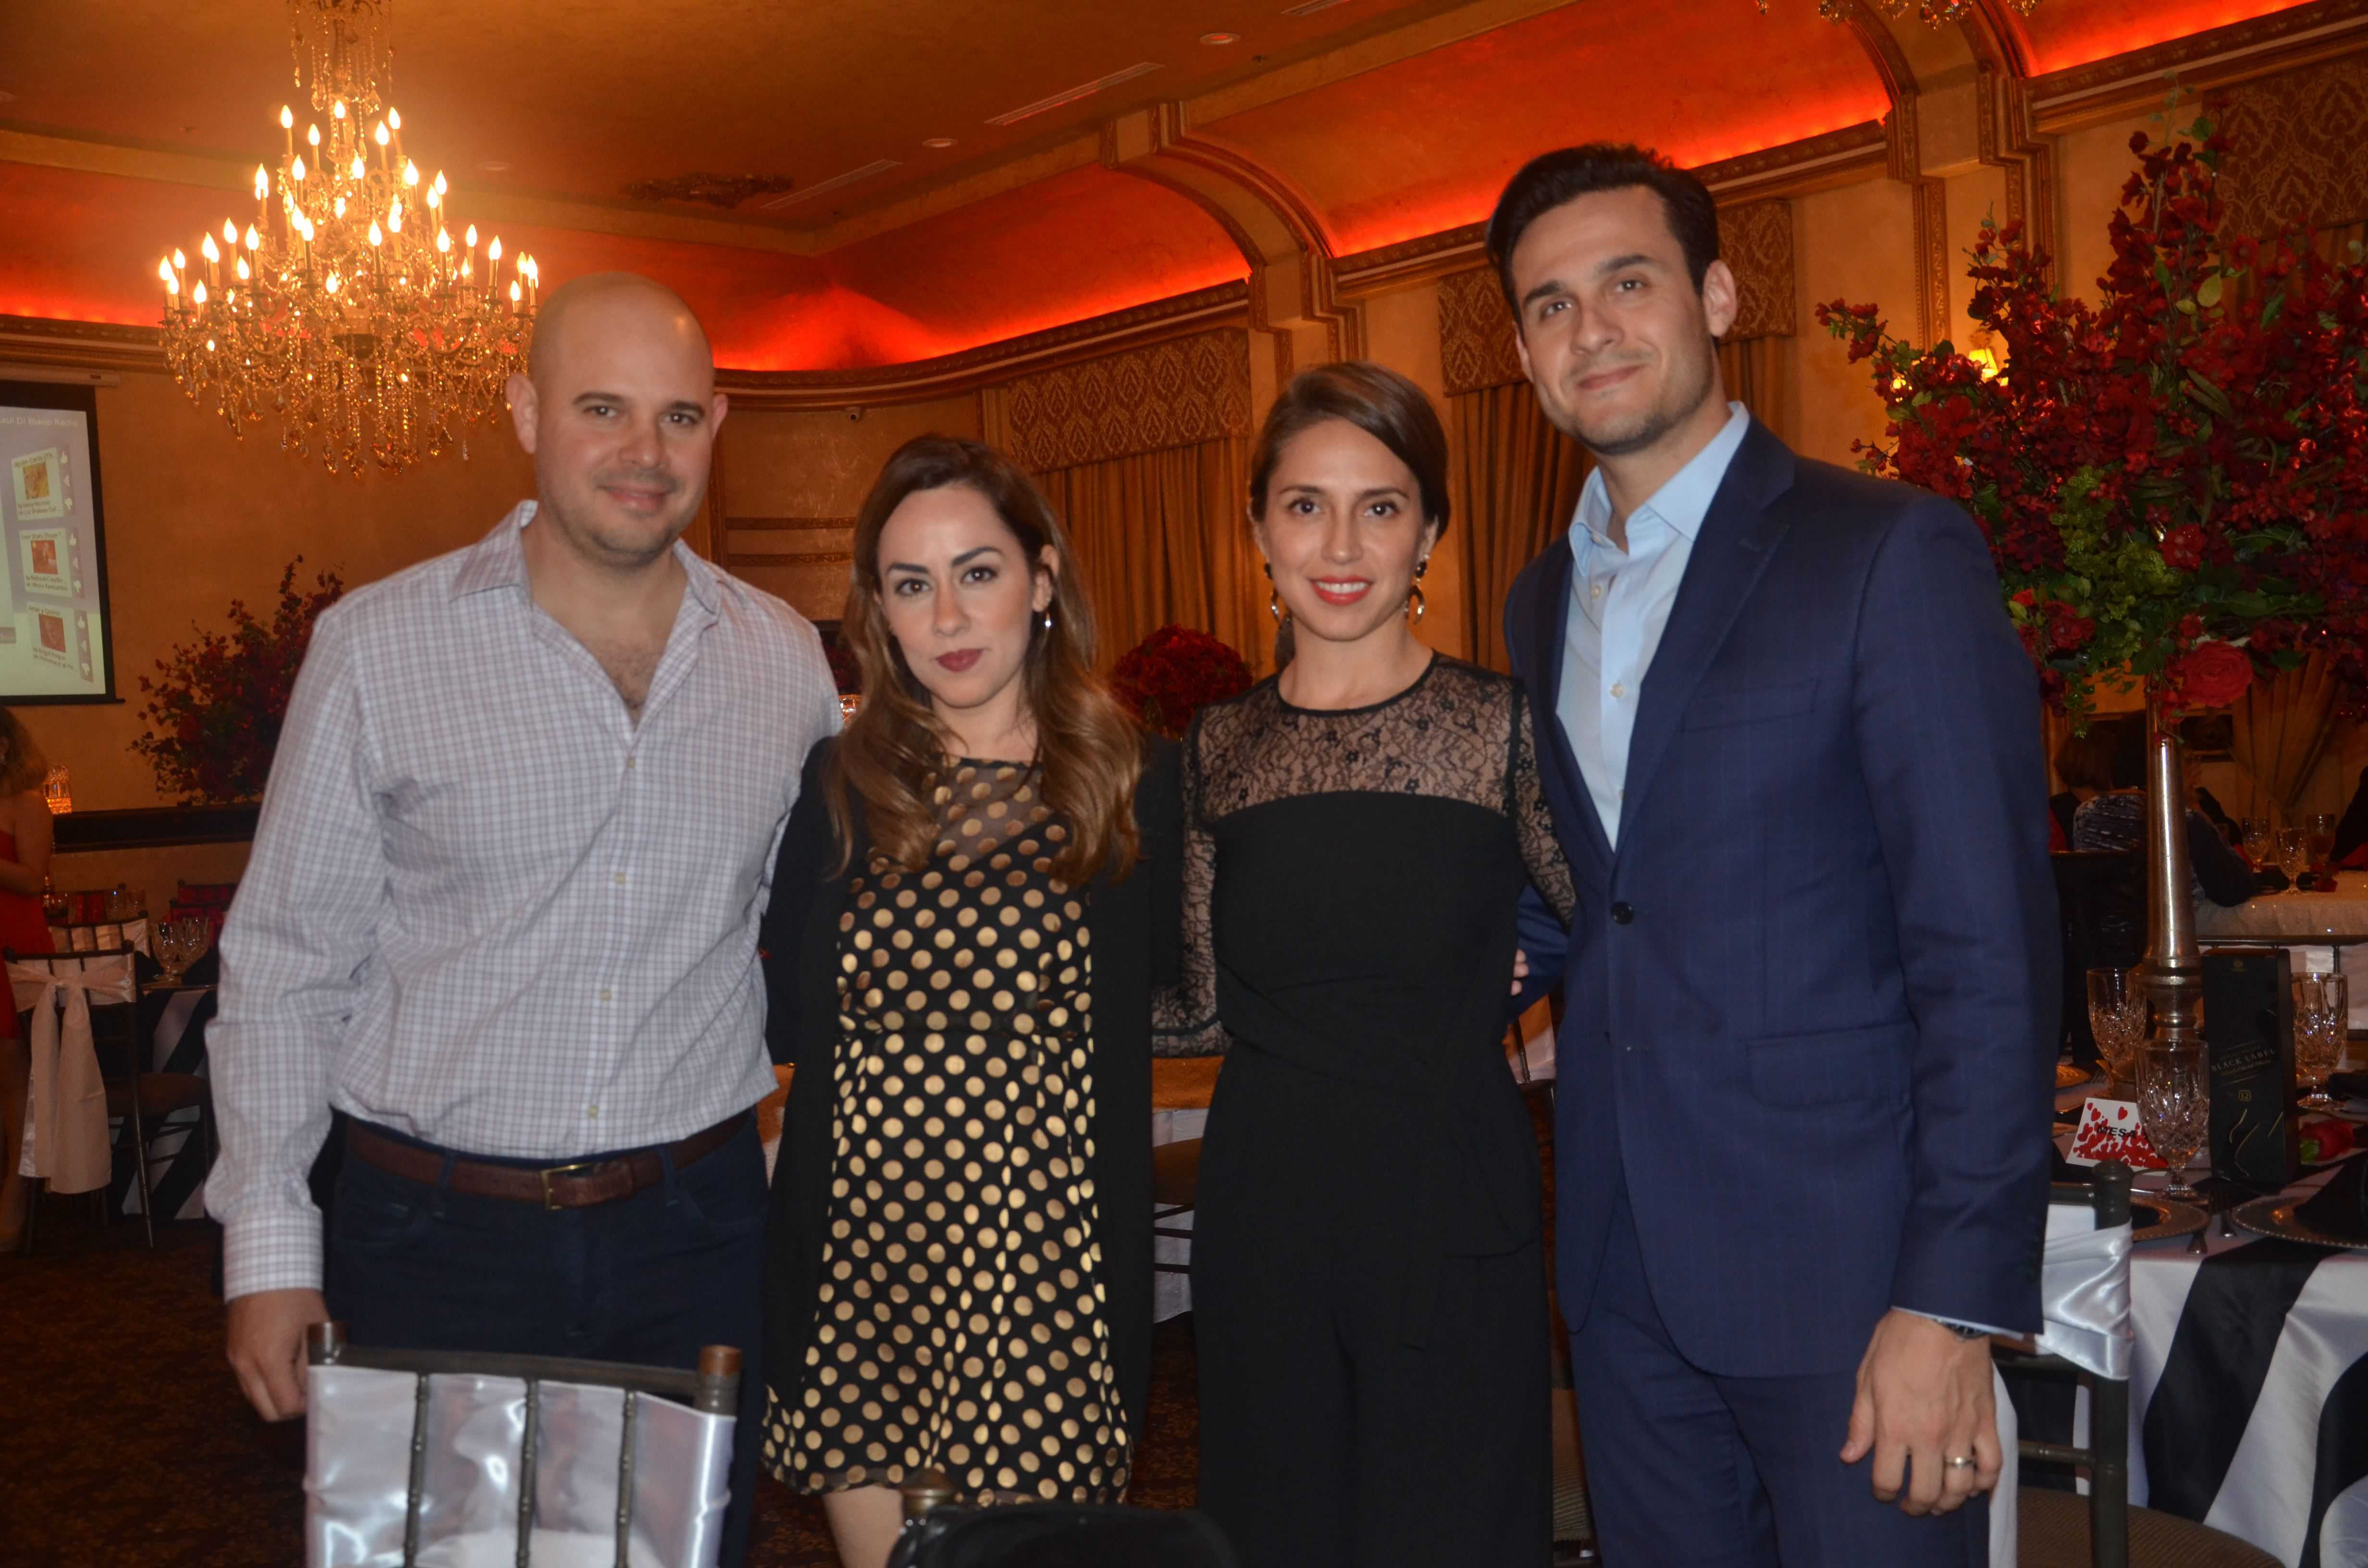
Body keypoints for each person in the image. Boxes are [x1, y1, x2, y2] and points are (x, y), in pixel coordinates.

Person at [205, 271, 840, 1565]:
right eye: (602, 408)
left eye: (676, 418)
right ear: (523, 412)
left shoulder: (784, 661)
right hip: (436, 1237)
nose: (642, 454)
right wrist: (268, 1244)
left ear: (717, 427)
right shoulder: (379, 648)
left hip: (698, 1232)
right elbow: (282, 965)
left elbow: (846, 912)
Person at [1493, 145, 2056, 1564]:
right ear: (1519, 350)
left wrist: (1949, 1300)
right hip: (1618, 1272)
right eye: (1549, 304)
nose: (1591, 329)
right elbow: (1593, 890)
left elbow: (1985, 950)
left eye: (1627, 281)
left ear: (1717, 294)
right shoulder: (1534, 596)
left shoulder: (1884, 550)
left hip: (1851, 1286)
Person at [1155, 362, 1575, 1568]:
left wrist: (1527, 957)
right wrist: (1008, 990)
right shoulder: (1218, 746)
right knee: (1275, 1533)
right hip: (1266, 1212)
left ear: (1430, 531)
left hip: (1452, 1208)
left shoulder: (1499, 729)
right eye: (1305, 504)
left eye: (1381, 506)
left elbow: (1619, 916)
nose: (1341, 543)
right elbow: (1195, 1005)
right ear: (1259, 531)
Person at [755, 435, 1178, 1568]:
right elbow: (784, 1014)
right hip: (861, 1270)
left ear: (1042, 581)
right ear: (880, 613)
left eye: (977, 572)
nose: (946, 614)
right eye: (911, 584)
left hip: (1039, 1279)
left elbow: (1211, 975)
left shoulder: (1134, 782)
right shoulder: (837, 788)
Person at [0, 708, 56, 1247]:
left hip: (11, 943)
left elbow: (34, 880)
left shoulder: (28, 803)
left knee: (12, 1077)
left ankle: (13, 1201)